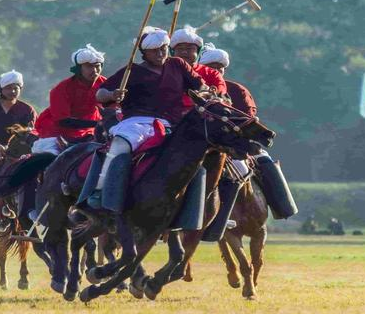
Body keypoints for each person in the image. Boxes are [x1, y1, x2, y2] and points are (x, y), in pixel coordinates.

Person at [79, 28, 206, 217]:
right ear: (144, 53)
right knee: (120, 145)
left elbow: (200, 86)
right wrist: (113, 94)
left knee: (197, 157)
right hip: (136, 124)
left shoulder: (178, 64)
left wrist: (206, 93)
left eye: (163, 48)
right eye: (155, 50)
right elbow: (100, 94)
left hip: (172, 124)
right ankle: (100, 189)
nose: (161, 53)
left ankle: (194, 212)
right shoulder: (131, 71)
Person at [198, 46, 298, 222]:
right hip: (202, 143)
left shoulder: (237, 90)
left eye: (220, 67)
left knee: (262, 161)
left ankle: (282, 206)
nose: (217, 70)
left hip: (234, 144)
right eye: (212, 67)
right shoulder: (194, 90)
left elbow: (248, 121)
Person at [32, 44, 106, 156]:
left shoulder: (105, 84)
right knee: (48, 158)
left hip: (90, 132)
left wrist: (116, 97)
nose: (95, 70)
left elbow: (115, 108)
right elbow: (63, 121)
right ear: (78, 68)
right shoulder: (61, 89)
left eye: (98, 66)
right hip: (56, 132)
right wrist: (97, 123)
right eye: (89, 67)